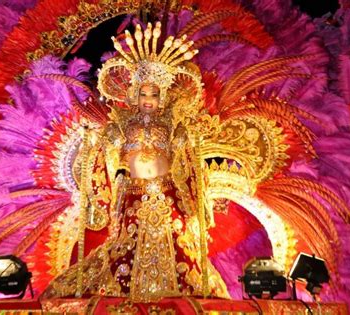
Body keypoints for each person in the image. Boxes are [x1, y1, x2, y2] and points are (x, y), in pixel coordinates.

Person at [42, 22, 228, 302]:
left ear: (162, 95)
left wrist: (188, 143)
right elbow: (107, 155)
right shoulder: (122, 124)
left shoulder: (172, 122)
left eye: (154, 94)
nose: (148, 100)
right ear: (134, 93)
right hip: (132, 195)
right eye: (143, 93)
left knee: (179, 249)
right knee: (124, 251)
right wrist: (95, 142)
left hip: (168, 195)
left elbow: (188, 164)